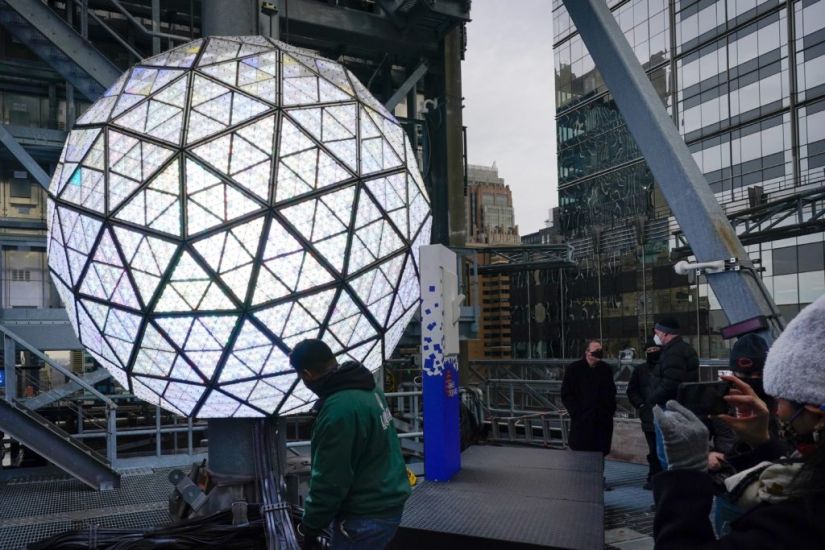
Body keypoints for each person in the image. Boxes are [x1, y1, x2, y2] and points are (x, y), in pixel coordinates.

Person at [652, 295, 825, 548]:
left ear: (813, 407)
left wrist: (684, 473)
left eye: (782, 399)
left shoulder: (798, 519)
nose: (777, 411)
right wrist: (763, 443)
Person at [290, 339, 411, 550]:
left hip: (364, 516)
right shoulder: (368, 386)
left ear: (307, 374)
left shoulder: (338, 411)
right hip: (387, 502)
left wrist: (310, 527)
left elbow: (330, 480)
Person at [561, 340, 617, 489]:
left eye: (600, 351)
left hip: (602, 418)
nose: (598, 355)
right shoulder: (574, 369)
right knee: (582, 449)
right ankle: (582, 479)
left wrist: (609, 411)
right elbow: (566, 394)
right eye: (595, 352)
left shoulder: (605, 369)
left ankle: (598, 478)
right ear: (587, 352)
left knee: (600, 450)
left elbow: (611, 392)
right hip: (582, 419)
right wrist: (577, 413)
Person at [627, 339, 662, 489]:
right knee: (654, 449)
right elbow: (632, 390)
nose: (653, 353)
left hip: (663, 414)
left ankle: (659, 477)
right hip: (648, 415)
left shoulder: (666, 368)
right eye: (650, 351)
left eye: (656, 349)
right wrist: (641, 405)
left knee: (661, 449)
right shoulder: (640, 370)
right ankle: (654, 476)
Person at [646, 317, 699, 408]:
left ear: (665, 333)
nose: (656, 336)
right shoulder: (683, 348)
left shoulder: (673, 353)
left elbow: (670, 384)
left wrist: (653, 398)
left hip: (670, 405)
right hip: (681, 403)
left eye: (657, 333)